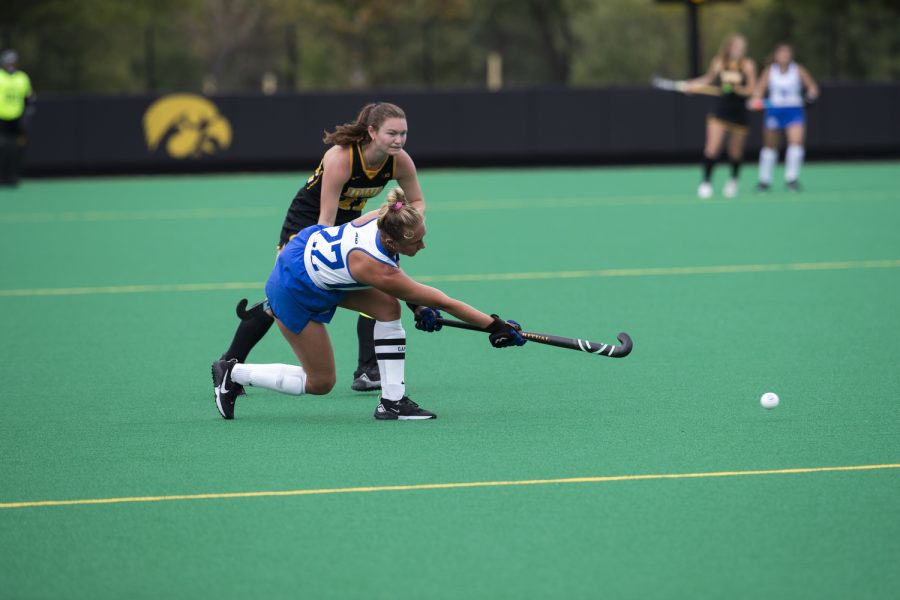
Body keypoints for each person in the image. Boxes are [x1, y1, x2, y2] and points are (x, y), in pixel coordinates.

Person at [211, 189, 525, 421]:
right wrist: (495, 327)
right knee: (321, 382)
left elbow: (407, 291)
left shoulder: (386, 216)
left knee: (389, 309)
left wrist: (416, 307)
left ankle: (392, 401)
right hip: (294, 286)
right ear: (392, 242)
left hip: (316, 263)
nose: (422, 245)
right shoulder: (376, 266)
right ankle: (233, 372)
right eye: (415, 242)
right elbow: (444, 301)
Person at [217, 102, 427, 392]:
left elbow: (416, 201)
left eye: (403, 134)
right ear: (372, 131)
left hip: (351, 222)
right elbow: (324, 223)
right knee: (284, 298)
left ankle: (367, 370)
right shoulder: (341, 158)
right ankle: (230, 363)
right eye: (392, 133)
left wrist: (400, 223)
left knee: (377, 285)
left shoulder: (399, 161)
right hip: (309, 225)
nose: (399, 140)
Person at [685, 34, 757, 199]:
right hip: (721, 110)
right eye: (736, 47)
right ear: (729, 47)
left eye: (742, 47)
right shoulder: (719, 62)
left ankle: (733, 180)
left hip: (739, 112)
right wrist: (693, 85)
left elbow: (752, 88)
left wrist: (740, 90)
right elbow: (708, 79)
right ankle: (706, 182)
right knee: (712, 148)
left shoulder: (748, 65)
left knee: (735, 153)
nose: (739, 50)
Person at [750, 43, 820, 192]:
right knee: (770, 147)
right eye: (781, 53)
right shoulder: (770, 71)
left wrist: (809, 98)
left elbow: (813, 88)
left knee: (796, 143)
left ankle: (791, 179)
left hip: (794, 110)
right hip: (774, 111)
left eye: (787, 53)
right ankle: (764, 180)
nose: (784, 56)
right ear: (775, 56)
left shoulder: (798, 69)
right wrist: (756, 101)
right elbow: (758, 91)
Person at [0, 50, 35, 187]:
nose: (10, 65)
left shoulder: (22, 78)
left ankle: (14, 176)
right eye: (7, 62)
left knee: (17, 148)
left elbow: (29, 97)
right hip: (2, 118)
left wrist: (28, 112)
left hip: (17, 118)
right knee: (3, 148)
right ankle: (2, 176)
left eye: (12, 62)